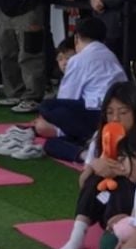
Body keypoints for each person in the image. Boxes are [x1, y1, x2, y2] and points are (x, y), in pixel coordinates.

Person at [56, 83, 136, 249]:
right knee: (94, 179)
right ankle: (77, 234)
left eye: (123, 112)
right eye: (110, 112)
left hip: (133, 206)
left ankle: (113, 236)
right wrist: (93, 167)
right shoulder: (100, 137)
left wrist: (123, 171)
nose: (115, 118)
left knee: (122, 184)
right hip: (103, 201)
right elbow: (82, 182)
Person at [32, 18, 128, 160]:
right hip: (118, 115)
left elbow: (67, 98)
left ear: (77, 38)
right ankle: (85, 150)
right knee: (51, 144)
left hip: (97, 114)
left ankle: (76, 139)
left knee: (47, 106)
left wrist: (56, 127)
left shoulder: (80, 59)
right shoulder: (111, 55)